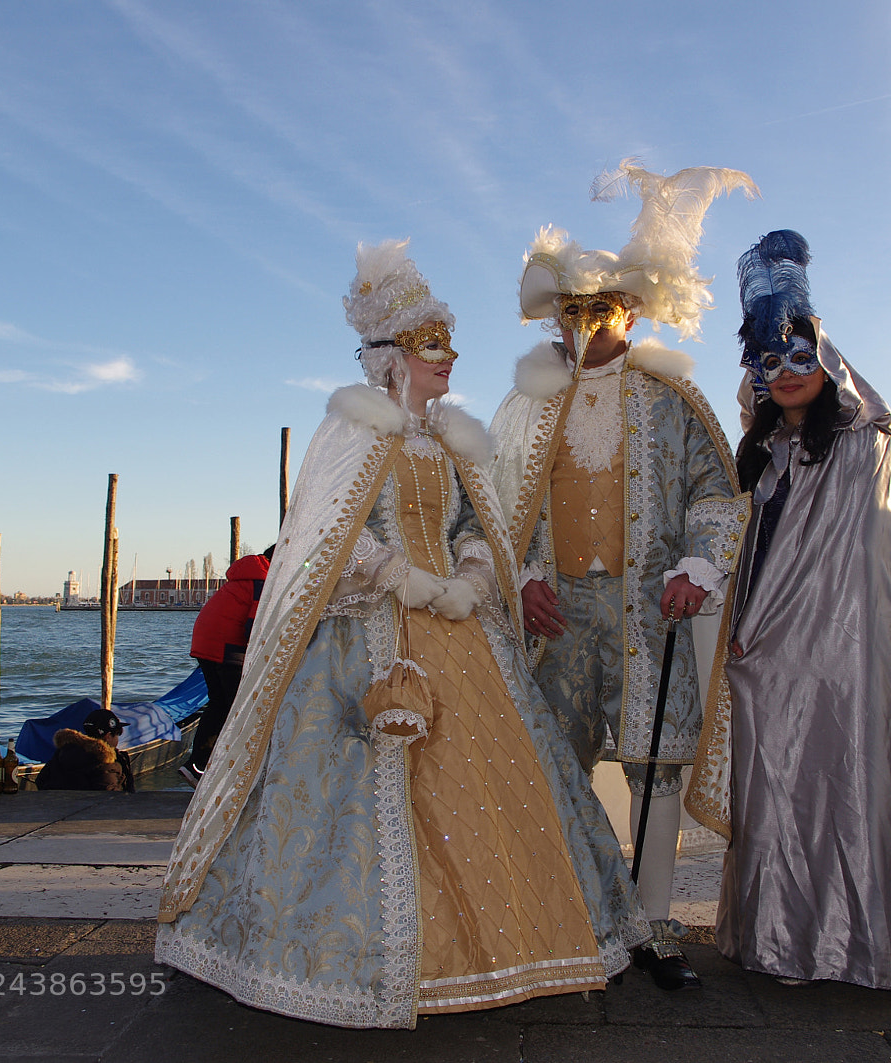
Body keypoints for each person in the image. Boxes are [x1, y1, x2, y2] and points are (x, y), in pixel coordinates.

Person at [154, 241, 646, 1029]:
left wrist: (474, 575)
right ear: (392, 358)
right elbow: (323, 531)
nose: (449, 356)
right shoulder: (352, 430)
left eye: (448, 342)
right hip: (369, 623)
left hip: (458, 621)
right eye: (432, 343)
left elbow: (471, 523)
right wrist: (398, 577)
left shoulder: (454, 439)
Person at [700, 230, 891, 998]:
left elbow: (871, 564)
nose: (788, 374)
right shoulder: (766, 459)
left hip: (842, 659)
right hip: (766, 658)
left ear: (829, 363)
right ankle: (782, 939)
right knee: (774, 792)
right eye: (772, 361)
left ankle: (855, 940)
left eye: (803, 357)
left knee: (842, 786)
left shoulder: (862, 445)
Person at [490, 161, 755, 990]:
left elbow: (717, 493)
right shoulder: (527, 406)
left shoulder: (673, 400)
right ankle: (570, 908)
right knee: (551, 757)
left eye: (596, 310)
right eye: (568, 312)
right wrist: (523, 575)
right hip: (558, 612)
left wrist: (699, 566)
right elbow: (499, 506)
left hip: (649, 609)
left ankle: (653, 921)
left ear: (630, 312)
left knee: (654, 762)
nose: (579, 327)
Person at [183, 545, 273, 778]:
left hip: (205, 643)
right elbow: (253, 626)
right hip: (227, 648)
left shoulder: (246, 576)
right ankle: (233, 768)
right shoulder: (263, 581)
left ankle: (197, 764)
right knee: (241, 708)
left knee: (219, 704)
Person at [36, 707, 135, 792]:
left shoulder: (64, 753)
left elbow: (41, 781)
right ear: (108, 736)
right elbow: (109, 796)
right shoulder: (106, 763)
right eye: (117, 735)